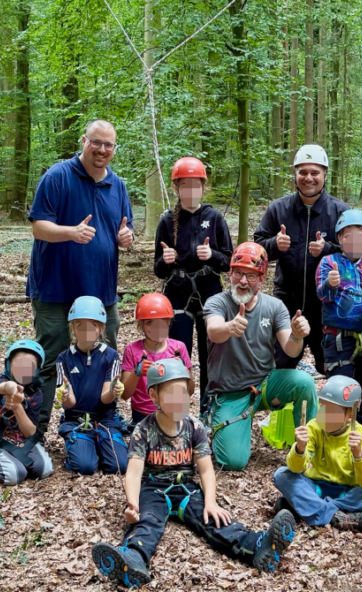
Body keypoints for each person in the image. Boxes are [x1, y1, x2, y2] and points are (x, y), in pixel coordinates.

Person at [91, 359, 296, 587]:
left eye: (183, 394)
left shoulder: (194, 427)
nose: (179, 401)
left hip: (186, 487)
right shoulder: (143, 430)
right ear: (154, 396)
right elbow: (134, 472)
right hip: (153, 487)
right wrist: (133, 505)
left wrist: (210, 501)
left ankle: (257, 545)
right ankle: (133, 560)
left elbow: (206, 469)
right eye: (171, 394)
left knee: (214, 519)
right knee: (147, 522)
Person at [27, 119, 134, 436]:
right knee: (49, 358)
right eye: (96, 142)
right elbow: (38, 227)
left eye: (108, 145)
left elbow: (122, 228)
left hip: (101, 291)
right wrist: (71, 233)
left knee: (106, 357)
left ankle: (104, 424)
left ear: (114, 148)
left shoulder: (118, 185)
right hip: (55, 288)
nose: (102, 150)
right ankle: (36, 430)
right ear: (84, 141)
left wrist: (125, 236)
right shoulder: (58, 177)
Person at [203, 242, 317, 471]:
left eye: (251, 276)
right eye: (238, 273)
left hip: (265, 385)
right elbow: (213, 331)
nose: (243, 281)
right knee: (233, 462)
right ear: (230, 273)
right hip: (229, 392)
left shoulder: (274, 307)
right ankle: (221, 424)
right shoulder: (217, 302)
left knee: (303, 382)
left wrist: (296, 335)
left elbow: (291, 349)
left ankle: (308, 447)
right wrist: (230, 327)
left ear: (262, 279)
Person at [254, 144, 349, 372]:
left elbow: (355, 255)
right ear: (295, 175)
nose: (308, 178)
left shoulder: (340, 211)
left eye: (315, 172)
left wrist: (328, 249)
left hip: (327, 305)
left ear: (325, 174)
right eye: (302, 172)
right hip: (286, 303)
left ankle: (330, 408)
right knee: (281, 366)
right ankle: (282, 407)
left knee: (332, 370)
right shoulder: (278, 209)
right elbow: (256, 249)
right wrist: (274, 246)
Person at [154, 157, 233, 404]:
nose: (190, 191)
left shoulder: (215, 218)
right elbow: (158, 271)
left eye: (195, 185)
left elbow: (229, 261)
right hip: (178, 293)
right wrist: (165, 260)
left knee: (211, 353)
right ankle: (176, 407)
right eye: (184, 186)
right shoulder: (167, 221)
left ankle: (208, 408)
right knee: (178, 354)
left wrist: (212, 255)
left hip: (209, 291)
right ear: (176, 188)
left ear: (203, 187)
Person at [272, 376, 362, 534]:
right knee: (281, 475)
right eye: (323, 408)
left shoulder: (361, 434)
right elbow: (295, 468)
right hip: (315, 487)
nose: (325, 416)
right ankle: (335, 517)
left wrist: (359, 455)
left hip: (346, 491)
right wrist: (299, 448)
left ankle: (304, 507)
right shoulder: (314, 427)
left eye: (332, 411)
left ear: (350, 414)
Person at [315, 209, 362, 425]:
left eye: (361, 237)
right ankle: (335, 433)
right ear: (339, 238)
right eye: (349, 237)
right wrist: (331, 284)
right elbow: (323, 296)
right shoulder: (329, 262)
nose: (355, 242)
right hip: (338, 337)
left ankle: (359, 431)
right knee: (339, 388)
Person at [56, 296, 128, 475]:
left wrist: (112, 391)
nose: (87, 331)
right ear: (72, 327)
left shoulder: (110, 356)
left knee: (119, 466)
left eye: (92, 325)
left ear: (101, 328)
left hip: (105, 420)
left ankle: (98, 445)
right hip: (76, 421)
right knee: (85, 467)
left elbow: (105, 398)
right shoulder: (63, 358)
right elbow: (70, 403)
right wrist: (65, 396)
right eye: (80, 325)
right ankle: (81, 445)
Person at [0, 340, 53, 485]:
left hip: (24, 442)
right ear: (9, 365)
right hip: (0, 441)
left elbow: (30, 432)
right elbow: (2, 387)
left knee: (44, 469)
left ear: (37, 370)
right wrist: (12, 389)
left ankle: (16, 462)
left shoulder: (36, 394)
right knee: (14, 475)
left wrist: (17, 407)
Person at [119, 293, 193, 425]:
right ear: (141, 324)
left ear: (169, 322)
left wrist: (183, 371)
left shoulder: (178, 347)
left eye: (161, 321)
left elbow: (190, 391)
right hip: (142, 416)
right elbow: (125, 395)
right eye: (149, 322)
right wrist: (137, 373)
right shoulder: (132, 350)